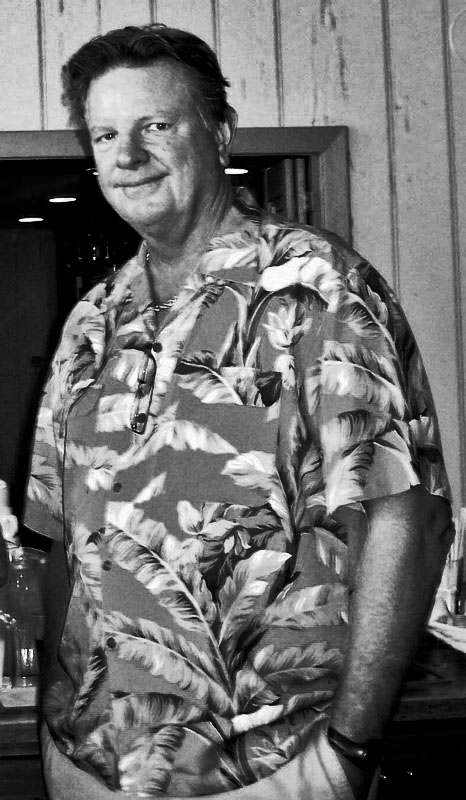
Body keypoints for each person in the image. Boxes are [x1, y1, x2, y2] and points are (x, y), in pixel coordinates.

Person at [19, 23, 453, 800]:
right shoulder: (92, 321)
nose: (127, 155)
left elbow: (408, 516)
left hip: (265, 765)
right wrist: (55, 720)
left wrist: (350, 748)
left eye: (156, 125)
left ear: (220, 132)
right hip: (91, 763)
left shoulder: (315, 288)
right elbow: (57, 536)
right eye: (105, 134)